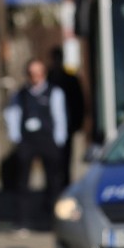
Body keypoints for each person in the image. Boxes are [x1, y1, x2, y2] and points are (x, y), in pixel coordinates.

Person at [4, 58, 67, 230]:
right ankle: (22, 221)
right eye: (32, 74)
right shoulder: (20, 93)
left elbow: (60, 117)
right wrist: (16, 138)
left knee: (54, 181)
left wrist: (58, 139)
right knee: (22, 181)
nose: (35, 77)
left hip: (47, 139)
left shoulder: (55, 92)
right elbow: (12, 115)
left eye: (38, 73)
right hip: (27, 140)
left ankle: (54, 220)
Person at [47, 46, 86, 185]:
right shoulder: (48, 80)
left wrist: (77, 124)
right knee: (52, 162)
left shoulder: (70, 80)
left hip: (68, 127)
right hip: (49, 129)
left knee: (66, 160)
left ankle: (65, 185)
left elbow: (79, 102)